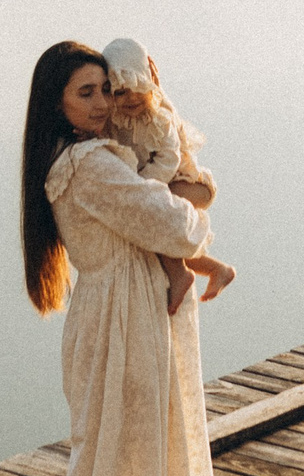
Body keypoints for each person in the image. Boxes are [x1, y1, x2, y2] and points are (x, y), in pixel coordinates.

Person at [21, 39, 222, 476]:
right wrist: (191, 200)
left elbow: (166, 171)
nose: (102, 104)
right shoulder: (90, 166)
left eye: (105, 89)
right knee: (97, 463)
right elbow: (175, 225)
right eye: (85, 93)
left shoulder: (102, 153)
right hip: (114, 320)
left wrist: (154, 103)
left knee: (132, 447)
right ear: (55, 103)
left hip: (130, 311)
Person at [100, 34, 237, 315]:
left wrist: (142, 185)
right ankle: (216, 269)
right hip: (156, 184)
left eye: (138, 87)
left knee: (155, 212)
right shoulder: (116, 120)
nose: (131, 98)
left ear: (149, 83)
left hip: (189, 182)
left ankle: (178, 274)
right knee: (155, 229)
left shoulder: (158, 117)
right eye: (120, 92)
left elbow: (169, 159)